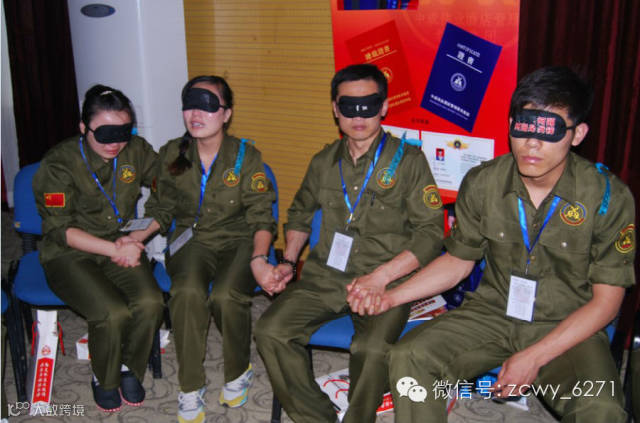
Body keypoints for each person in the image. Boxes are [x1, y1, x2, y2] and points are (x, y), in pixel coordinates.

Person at [363, 66, 635, 422]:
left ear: (578, 134)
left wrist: (534, 356)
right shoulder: (483, 182)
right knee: (409, 358)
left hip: (566, 323)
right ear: (510, 125)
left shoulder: (607, 197)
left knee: (601, 408)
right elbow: (458, 261)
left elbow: (607, 303)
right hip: (492, 313)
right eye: (523, 127)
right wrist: (392, 296)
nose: (532, 144)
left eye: (549, 131)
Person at [254, 63, 444, 423]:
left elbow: (431, 233)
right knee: (270, 331)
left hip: (385, 281)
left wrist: (381, 277)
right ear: (335, 109)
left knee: (370, 348)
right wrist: (289, 261)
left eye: (368, 105)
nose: (358, 115)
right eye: (349, 106)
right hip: (325, 277)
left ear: (384, 107)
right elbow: (300, 214)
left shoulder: (409, 162)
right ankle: (318, 417)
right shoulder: (323, 162)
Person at [132, 75, 278, 423]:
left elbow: (262, 216)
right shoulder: (172, 153)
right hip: (191, 238)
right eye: (190, 104)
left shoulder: (246, 156)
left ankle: (238, 369)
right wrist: (135, 238)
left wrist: (259, 258)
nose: (196, 113)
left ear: (226, 114)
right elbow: (161, 208)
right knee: (186, 292)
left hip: (239, 238)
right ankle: (190, 386)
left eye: (208, 105)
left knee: (226, 296)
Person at [33, 85, 164, 412]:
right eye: (105, 133)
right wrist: (116, 249)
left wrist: (138, 237)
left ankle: (128, 367)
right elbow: (60, 229)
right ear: (83, 127)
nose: (114, 143)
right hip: (70, 253)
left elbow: (170, 190)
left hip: (122, 242)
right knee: (111, 312)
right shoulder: (59, 164)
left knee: (150, 302)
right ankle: (103, 377)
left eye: (123, 132)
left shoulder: (135, 150)